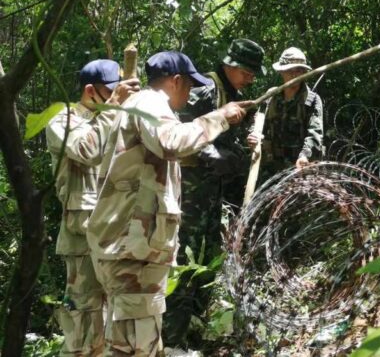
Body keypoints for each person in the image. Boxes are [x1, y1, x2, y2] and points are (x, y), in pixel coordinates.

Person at [86, 51, 250, 356]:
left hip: (133, 249)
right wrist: (220, 117)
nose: (190, 96)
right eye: (189, 87)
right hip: (130, 250)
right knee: (136, 346)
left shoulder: (141, 107)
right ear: (176, 82)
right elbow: (171, 141)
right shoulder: (149, 103)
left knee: (133, 343)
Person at [164, 38, 265, 346]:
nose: (250, 79)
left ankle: (194, 325)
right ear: (231, 65)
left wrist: (236, 151)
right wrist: (214, 155)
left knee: (208, 254)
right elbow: (182, 130)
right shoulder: (206, 88)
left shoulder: (232, 95)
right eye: (247, 72)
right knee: (185, 253)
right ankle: (171, 334)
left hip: (210, 190)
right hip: (191, 188)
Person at [45, 59, 140, 357]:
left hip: (118, 230)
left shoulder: (112, 118)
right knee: (84, 319)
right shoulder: (62, 121)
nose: (117, 96)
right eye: (111, 91)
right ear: (90, 90)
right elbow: (86, 150)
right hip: (81, 234)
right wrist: (113, 108)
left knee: (121, 314)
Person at [247, 47, 323, 176]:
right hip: (271, 167)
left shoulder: (312, 100)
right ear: (281, 72)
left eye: (298, 70)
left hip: (301, 167)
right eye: (289, 70)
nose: (294, 75)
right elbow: (258, 121)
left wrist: (304, 156)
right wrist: (253, 134)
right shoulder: (271, 96)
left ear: (304, 72)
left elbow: (315, 133)